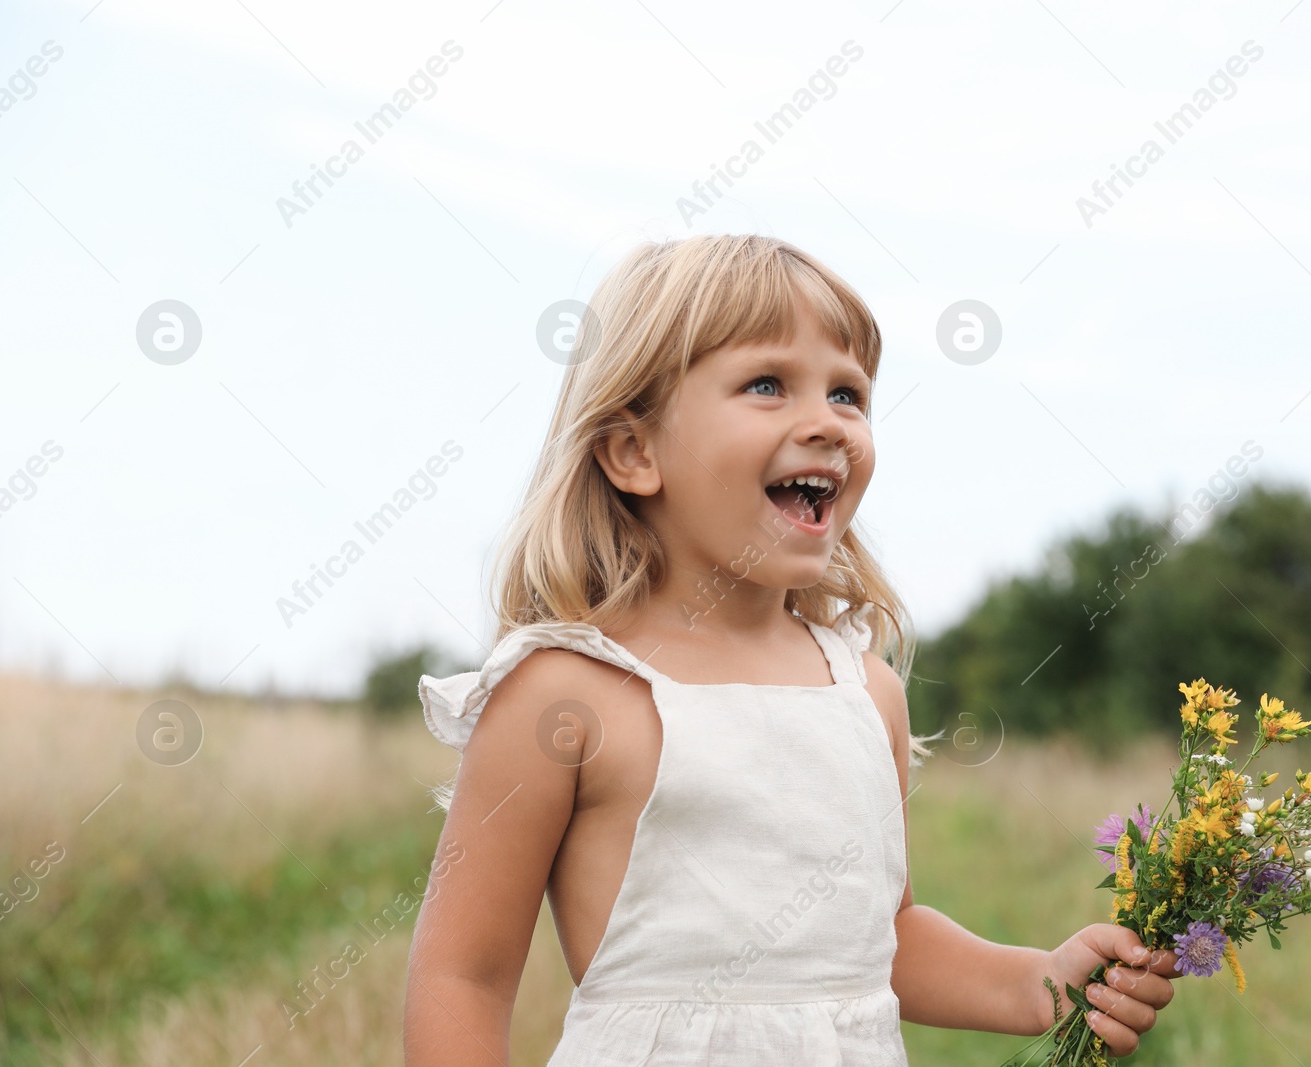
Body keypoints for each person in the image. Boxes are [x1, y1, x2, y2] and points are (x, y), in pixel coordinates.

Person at [402, 234, 1178, 1064]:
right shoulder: (568, 693)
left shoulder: (864, 690)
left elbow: (884, 936)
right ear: (634, 451)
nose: (826, 423)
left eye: (849, 393)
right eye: (767, 384)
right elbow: (464, 974)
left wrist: (1036, 983)